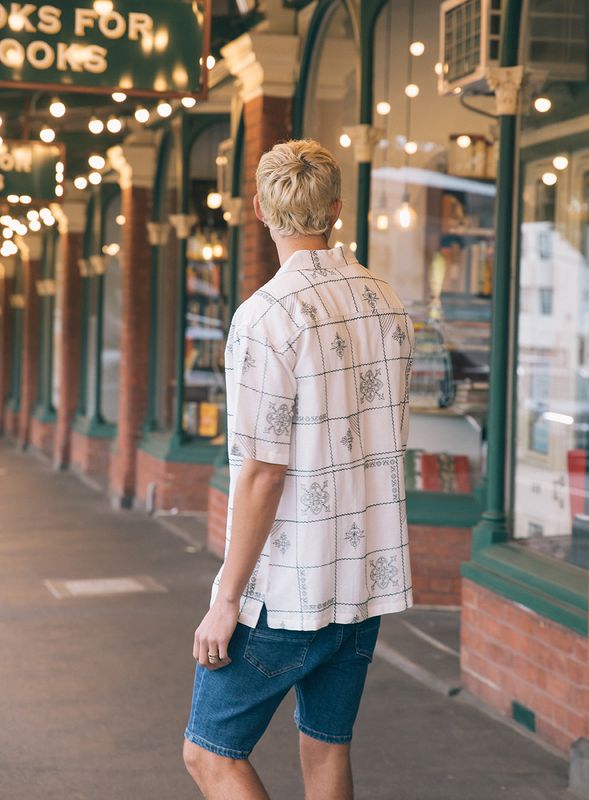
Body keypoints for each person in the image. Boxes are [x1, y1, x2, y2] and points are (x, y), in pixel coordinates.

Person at [183, 139, 415, 800]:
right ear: (336, 209)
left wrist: (225, 601)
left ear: (258, 208)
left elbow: (262, 472)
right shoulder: (387, 302)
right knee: (326, 752)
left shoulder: (265, 317)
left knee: (209, 754)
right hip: (362, 578)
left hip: (284, 588)